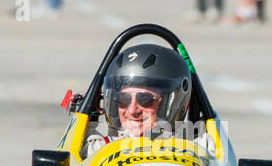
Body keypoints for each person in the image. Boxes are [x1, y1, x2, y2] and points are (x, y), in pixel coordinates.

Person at [83, 43, 212, 158]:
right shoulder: (99, 148)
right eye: (122, 99)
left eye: (145, 100)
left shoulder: (198, 147)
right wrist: (85, 118)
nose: (133, 110)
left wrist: (208, 112)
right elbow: (70, 164)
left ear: (172, 102)